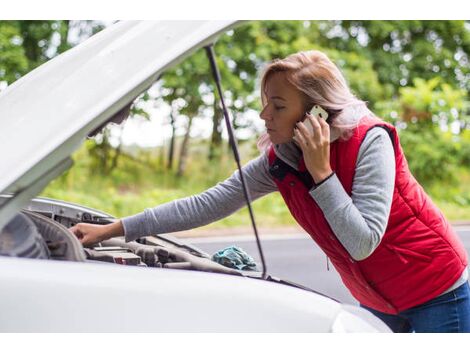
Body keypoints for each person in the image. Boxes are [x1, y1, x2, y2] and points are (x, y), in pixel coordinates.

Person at [70, 50, 470, 333]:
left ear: (316, 114)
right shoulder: (281, 160)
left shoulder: (371, 143)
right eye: (265, 103)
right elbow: (206, 204)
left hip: (435, 289)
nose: (264, 116)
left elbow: (362, 242)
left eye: (277, 105)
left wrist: (322, 174)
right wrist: (112, 229)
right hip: (376, 296)